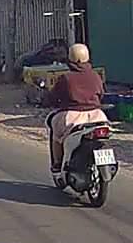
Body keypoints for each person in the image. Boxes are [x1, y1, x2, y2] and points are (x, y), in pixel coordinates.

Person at [45, 43, 109, 179]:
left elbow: (53, 97)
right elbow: (101, 94)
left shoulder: (66, 78)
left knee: (56, 133)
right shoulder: (95, 76)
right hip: (97, 116)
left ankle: (57, 165)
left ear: (70, 58)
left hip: (72, 117)